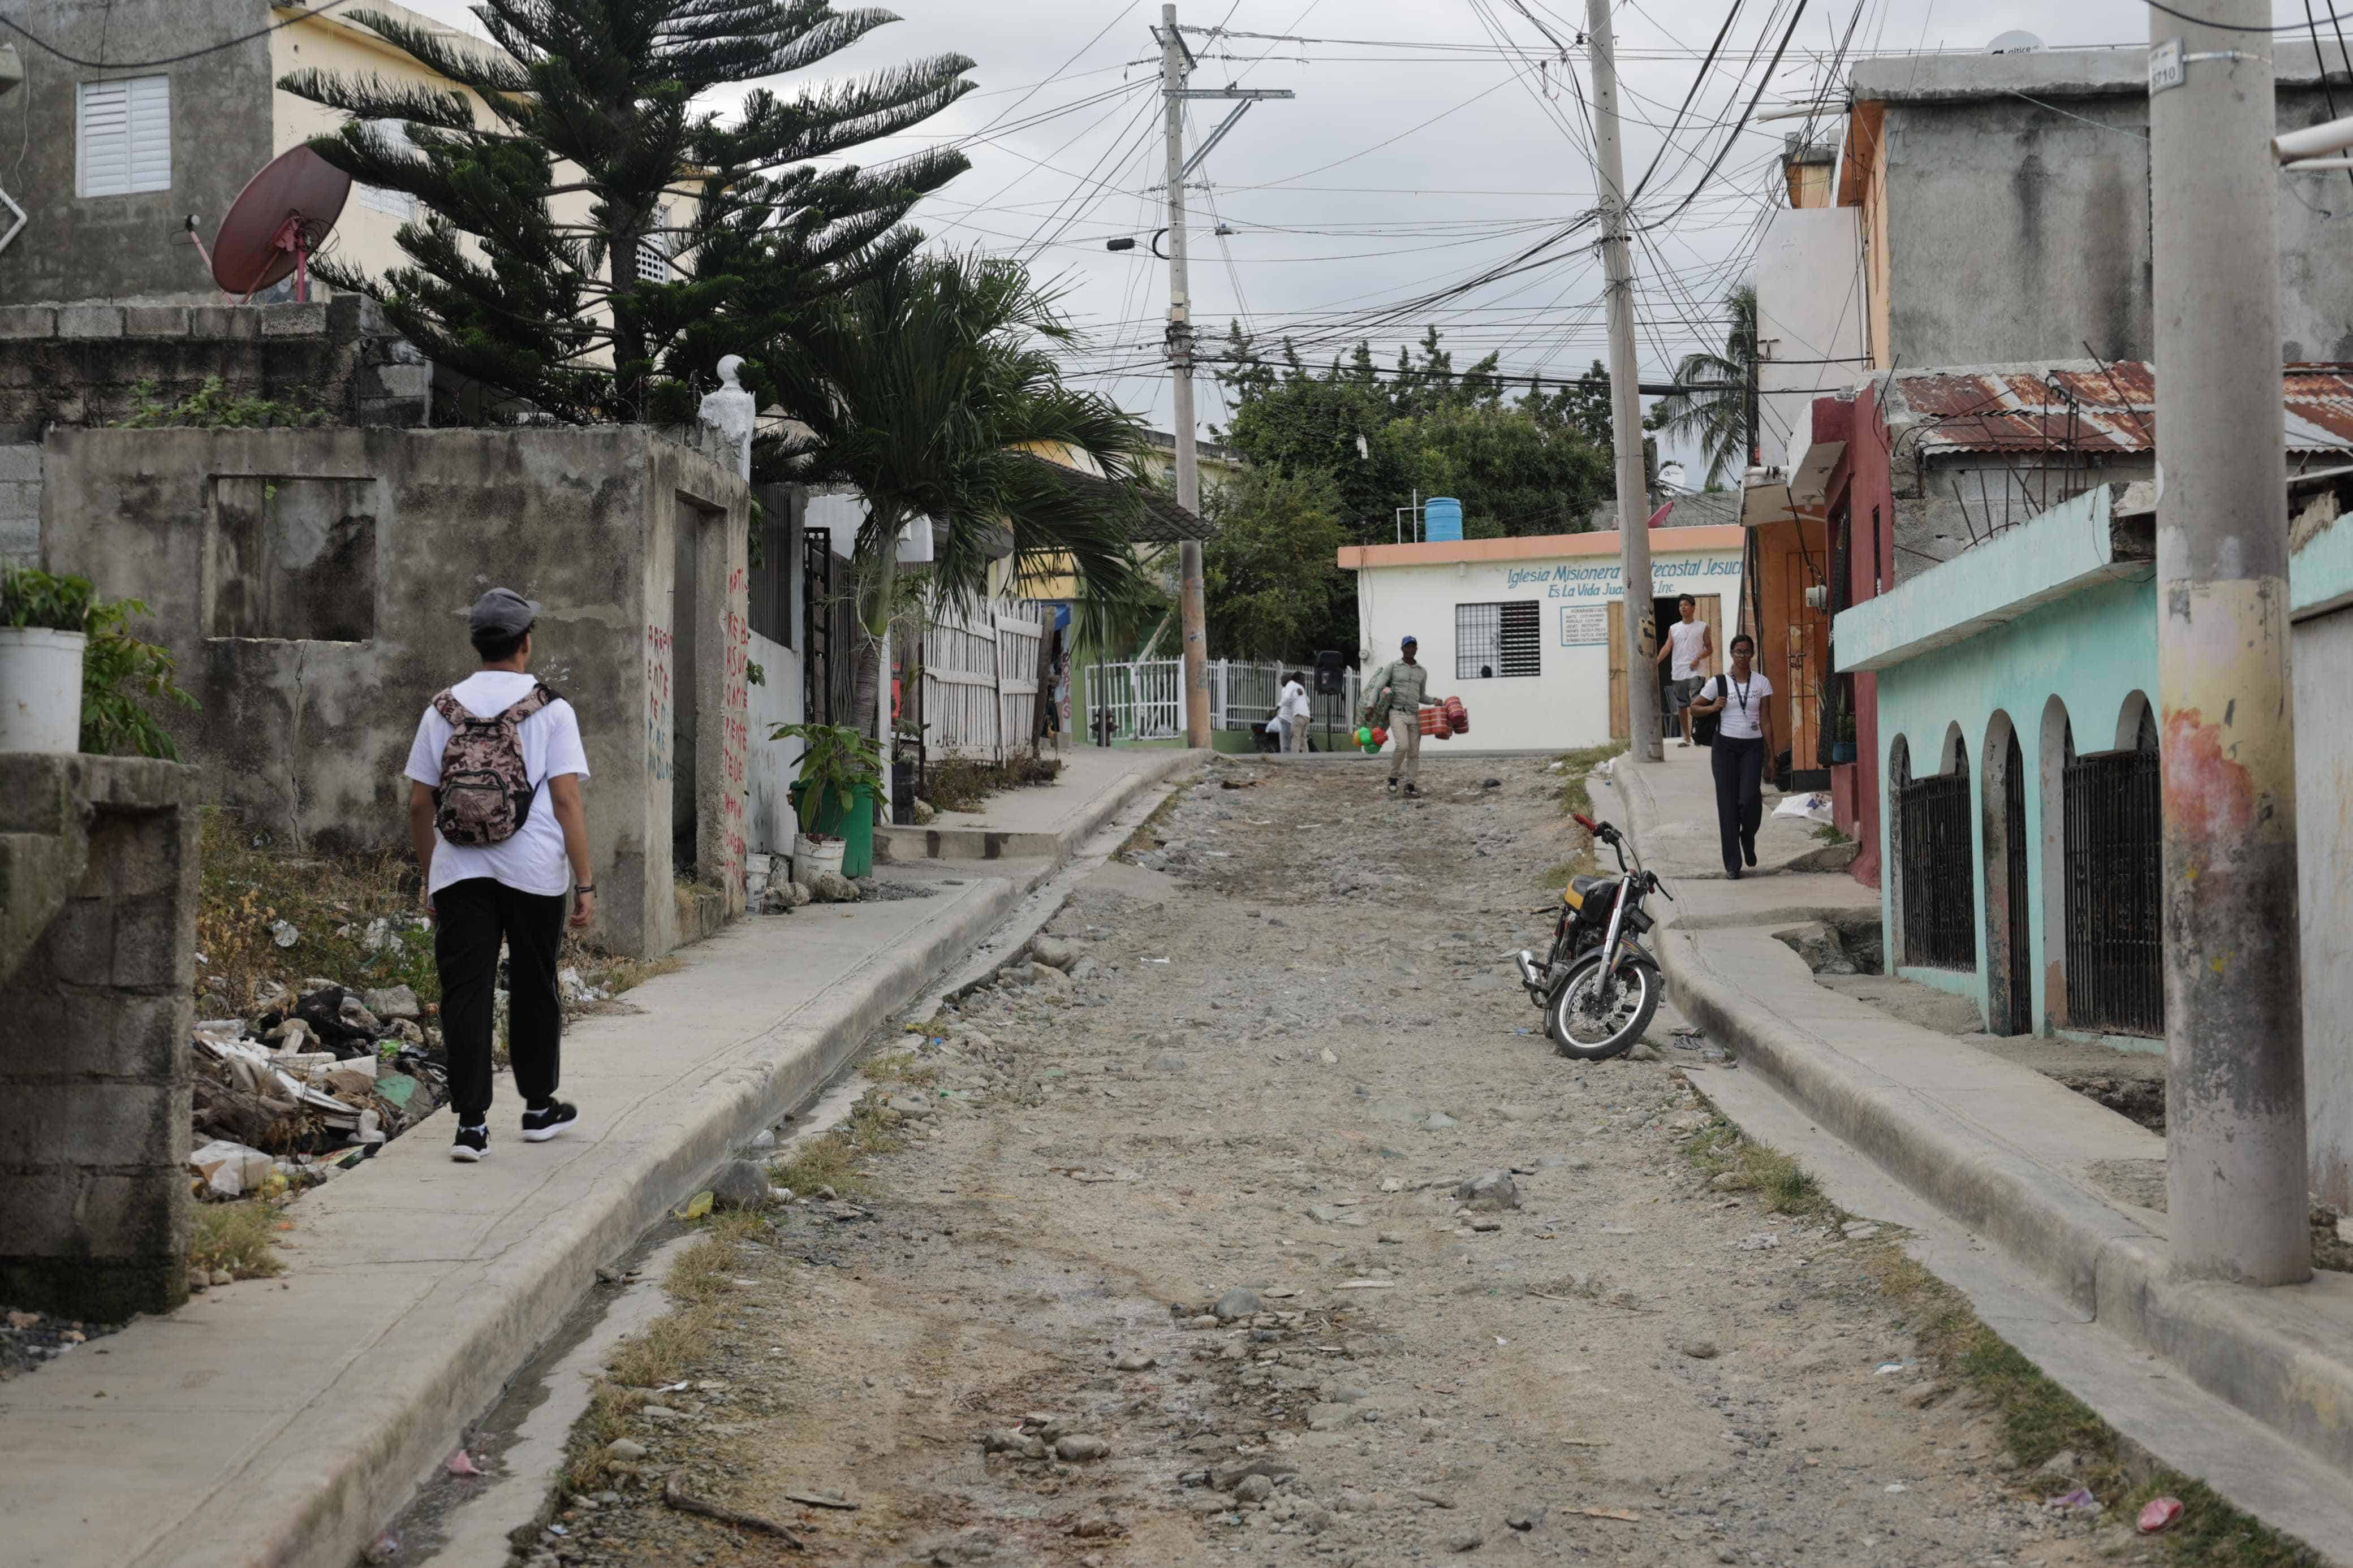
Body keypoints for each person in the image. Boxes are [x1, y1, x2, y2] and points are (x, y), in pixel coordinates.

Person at [405, 588, 596, 1162]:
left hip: (459, 870)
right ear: (525, 641)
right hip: (534, 870)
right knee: (535, 982)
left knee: (465, 991)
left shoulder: (441, 709)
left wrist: (429, 876)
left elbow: (419, 803)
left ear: (476, 643)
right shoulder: (552, 710)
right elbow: (567, 801)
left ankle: (470, 1125)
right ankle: (539, 1108)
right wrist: (584, 883)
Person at [1690, 632, 1775, 878]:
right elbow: (1695, 708)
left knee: (1749, 799)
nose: (1743, 656)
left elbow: (1767, 720)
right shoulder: (1719, 682)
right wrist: (1713, 707)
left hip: (1752, 747)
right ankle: (1732, 864)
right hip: (1725, 747)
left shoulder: (1761, 683)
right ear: (1731, 654)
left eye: (1747, 652)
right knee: (1727, 805)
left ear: (1752, 654)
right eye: (1738, 652)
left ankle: (1747, 838)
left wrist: (1771, 756)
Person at [1361, 634, 1442, 796]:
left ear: (1416, 650)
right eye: (1408, 647)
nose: (1411, 649)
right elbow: (1378, 688)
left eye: (1413, 647)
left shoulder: (1422, 672)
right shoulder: (1393, 667)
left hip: (1414, 715)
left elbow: (1421, 696)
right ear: (1402, 649)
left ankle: (1410, 785)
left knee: (1414, 752)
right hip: (1397, 712)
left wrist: (1434, 700)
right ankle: (1393, 777)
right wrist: (1370, 706)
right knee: (1403, 746)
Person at [1654, 594, 1714, 748]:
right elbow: (1668, 647)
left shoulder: (1703, 627)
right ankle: (1686, 737)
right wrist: (1656, 662)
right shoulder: (1674, 629)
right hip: (1679, 672)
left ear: (1693, 607)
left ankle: (1699, 735)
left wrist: (1698, 658)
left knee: (1696, 704)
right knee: (1682, 706)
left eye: (1686, 605)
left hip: (1696, 672)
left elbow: (1710, 649)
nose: (1683, 607)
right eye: (1681, 605)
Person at [1277, 669, 1312, 753]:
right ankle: (1303, 757)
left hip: (1289, 718)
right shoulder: (1295, 689)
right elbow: (1308, 702)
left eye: (1283, 679)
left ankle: (1291, 760)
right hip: (1293, 718)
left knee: (1288, 743)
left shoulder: (1289, 688)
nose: (1281, 682)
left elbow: (1288, 700)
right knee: (1300, 739)